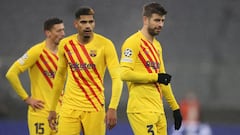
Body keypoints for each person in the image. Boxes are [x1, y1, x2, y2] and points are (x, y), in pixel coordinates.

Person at [47, 7, 123, 135]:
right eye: (83, 22)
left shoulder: (105, 44)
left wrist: (113, 107)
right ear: (76, 24)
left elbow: (117, 77)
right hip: (69, 107)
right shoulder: (65, 44)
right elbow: (60, 77)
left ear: (94, 23)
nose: (88, 26)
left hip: (94, 107)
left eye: (91, 22)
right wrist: (52, 108)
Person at [119, 2, 182, 135]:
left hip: (158, 110)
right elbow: (124, 74)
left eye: (162, 21)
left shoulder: (157, 46)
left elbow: (163, 78)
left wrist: (175, 108)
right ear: (145, 19)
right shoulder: (133, 42)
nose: (160, 25)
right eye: (157, 20)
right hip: (141, 110)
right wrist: (155, 77)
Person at [5, 18, 65, 135]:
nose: (63, 34)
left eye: (63, 30)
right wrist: (27, 98)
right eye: (58, 31)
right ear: (48, 33)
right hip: (40, 113)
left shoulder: (64, 53)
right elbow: (11, 74)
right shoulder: (36, 52)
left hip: (61, 113)